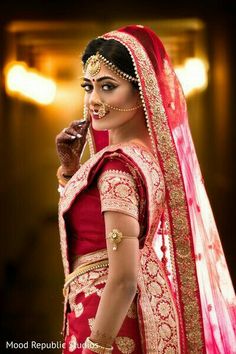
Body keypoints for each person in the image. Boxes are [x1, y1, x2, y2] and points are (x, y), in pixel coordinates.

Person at [55, 25, 236, 354]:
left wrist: (96, 347)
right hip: (130, 315)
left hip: (106, 325)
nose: (94, 100)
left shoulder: (117, 168)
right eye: (89, 87)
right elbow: (94, 223)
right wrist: (70, 171)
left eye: (108, 87)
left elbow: (123, 280)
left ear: (143, 92)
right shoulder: (146, 158)